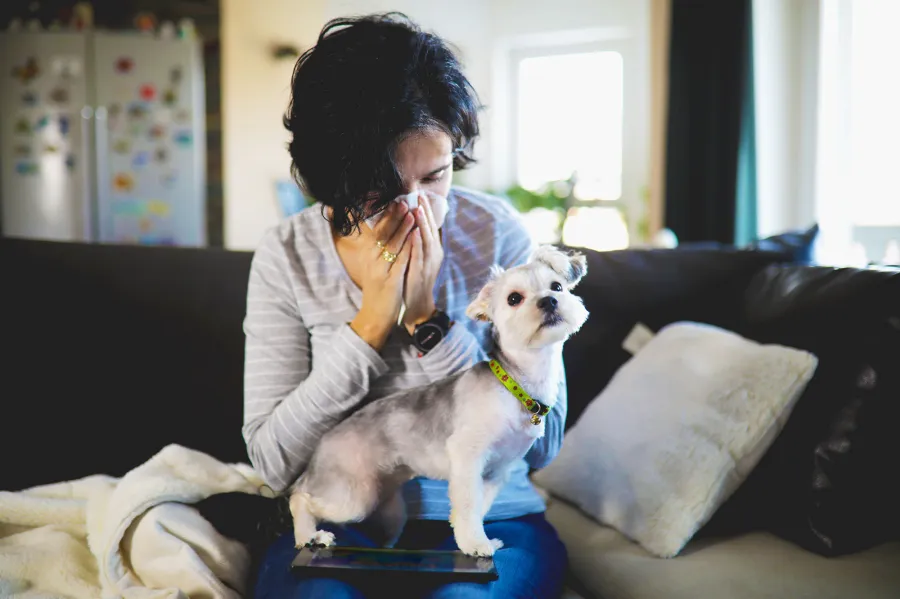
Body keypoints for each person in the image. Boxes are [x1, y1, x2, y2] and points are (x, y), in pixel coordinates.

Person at [243, 13, 569, 599]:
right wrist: (370, 322)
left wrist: (427, 320)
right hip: (346, 520)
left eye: (436, 176)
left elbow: (544, 442)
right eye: (382, 189)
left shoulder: (496, 235)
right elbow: (272, 462)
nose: (416, 207)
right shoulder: (287, 254)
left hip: (493, 519)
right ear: (335, 180)